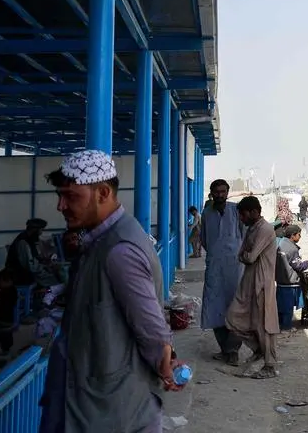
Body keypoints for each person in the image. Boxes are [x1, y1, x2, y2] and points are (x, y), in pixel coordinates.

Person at [39, 150, 185, 432]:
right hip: (86, 404)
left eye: (70, 196)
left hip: (112, 413)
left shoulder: (120, 251)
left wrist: (166, 364)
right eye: (60, 195)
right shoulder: (99, 242)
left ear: (103, 193)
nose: (61, 206)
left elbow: (154, 331)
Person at [225, 196, 279, 379]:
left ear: (254, 212)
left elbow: (248, 257)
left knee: (264, 324)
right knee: (233, 318)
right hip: (248, 281)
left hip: (262, 282)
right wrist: (245, 255)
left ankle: (269, 365)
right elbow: (242, 254)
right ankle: (258, 350)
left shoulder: (265, 229)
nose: (241, 219)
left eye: (243, 215)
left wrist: (245, 255)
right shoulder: (252, 229)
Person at [200, 179, 245, 365]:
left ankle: (233, 350)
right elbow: (204, 239)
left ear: (227, 192)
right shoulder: (206, 213)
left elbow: (245, 235)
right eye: (216, 192)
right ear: (211, 193)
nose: (220, 194)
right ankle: (225, 349)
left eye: (223, 191)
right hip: (215, 269)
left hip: (236, 269)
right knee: (214, 307)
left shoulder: (236, 211)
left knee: (237, 309)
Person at [275, 224, 308, 332]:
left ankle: (280, 325)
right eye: (299, 235)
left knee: (281, 306)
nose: (299, 237)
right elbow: (298, 266)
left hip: (280, 280)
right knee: (288, 307)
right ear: (292, 235)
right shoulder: (292, 249)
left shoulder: (280, 243)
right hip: (289, 282)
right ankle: (286, 327)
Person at [5, 217, 59, 288]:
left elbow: (34, 257)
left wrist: (45, 261)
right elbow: (30, 267)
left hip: (26, 273)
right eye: (40, 230)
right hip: (19, 275)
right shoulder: (23, 242)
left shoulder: (30, 240)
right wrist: (45, 267)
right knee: (56, 279)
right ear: (34, 230)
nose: (41, 233)